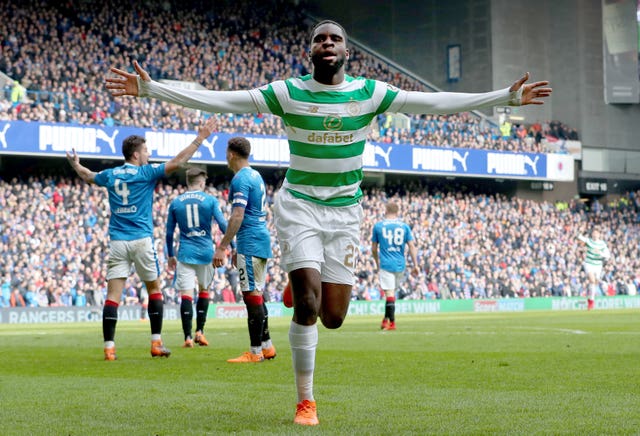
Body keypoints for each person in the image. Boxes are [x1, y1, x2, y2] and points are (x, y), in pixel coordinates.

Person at [106, 19, 552, 425]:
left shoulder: (370, 94)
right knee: (308, 306)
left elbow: (433, 103)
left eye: (335, 38)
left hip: (344, 213)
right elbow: (224, 100)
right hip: (299, 206)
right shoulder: (288, 93)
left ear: (345, 51)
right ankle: (306, 400)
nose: (327, 43)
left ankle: (304, 277)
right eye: (320, 38)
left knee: (334, 317)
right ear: (312, 52)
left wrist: (505, 98)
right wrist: (152, 90)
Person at [67, 117, 217, 360]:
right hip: (141, 240)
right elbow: (179, 162)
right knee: (154, 289)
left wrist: (75, 164)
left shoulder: (111, 174)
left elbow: (88, 176)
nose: (149, 153)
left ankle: (109, 348)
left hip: (117, 242)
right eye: (146, 150)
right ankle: (156, 343)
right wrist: (200, 138)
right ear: (136, 155)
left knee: (113, 295)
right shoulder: (146, 172)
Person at [212, 137, 276, 363]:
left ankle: (255, 352)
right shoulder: (256, 175)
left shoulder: (240, 179)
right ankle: (267, 347)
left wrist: (222, 246)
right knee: (257, 293)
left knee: (252, 296)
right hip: (261, 238)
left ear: (231, 154)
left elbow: (238, 215)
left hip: (250, 240)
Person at [166, 166, 229, 348]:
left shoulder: (176, 202)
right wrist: (230, 246)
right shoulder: (210, 200)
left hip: (185, 253)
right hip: (206, 253)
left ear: (188, 183)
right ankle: (199, 332)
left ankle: (187, 338)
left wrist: (171, 255)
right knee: (203, 291)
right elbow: (223, 224)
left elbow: (169, 233)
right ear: (201, 183)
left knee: (186, 295)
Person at [371, 201, 419, 331]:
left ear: (386, 211)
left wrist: (377, 263)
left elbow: (374, 248)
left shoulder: (378, 226)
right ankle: (385, 320)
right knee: (391, 294)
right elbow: (412, 246)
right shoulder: (404, 227)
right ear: (397, 212)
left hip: (386, 264)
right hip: (400, 265)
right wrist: (416, 265)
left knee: (390, 294)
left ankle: (392, 323)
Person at [577, 229, 610, 310]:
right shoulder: (588, 241)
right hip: (589, 263)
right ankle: (591, 302)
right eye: (593, 233)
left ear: (599, 235)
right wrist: (582, 231)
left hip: (598, 265)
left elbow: (608, 256)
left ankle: (591, 300)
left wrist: (600, 253)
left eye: (596, 233)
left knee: (595, 282)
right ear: (591, 234)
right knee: (592, 280)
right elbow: (579, 237)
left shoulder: (602, 244)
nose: (595, 235)